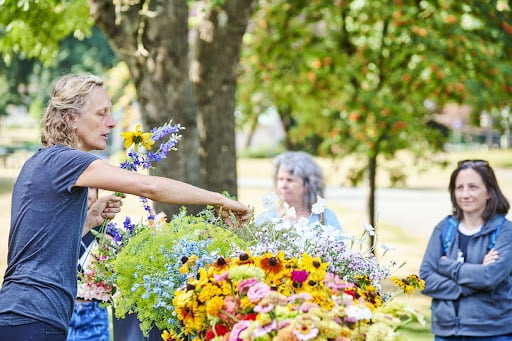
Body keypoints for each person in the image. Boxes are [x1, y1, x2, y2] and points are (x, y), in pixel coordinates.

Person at [0, 73, 250, 341]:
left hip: (22, 316)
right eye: (101, 113)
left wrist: (88, 220)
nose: (112, 122)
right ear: (72, 118)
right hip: (33, 320)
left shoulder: (39, 163)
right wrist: (218, 199)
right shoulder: (65, 161)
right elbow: (149, 187)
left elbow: (42, 244)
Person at [420, 159, 512, 340]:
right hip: (446, 332)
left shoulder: (505, 231)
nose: (465, 194)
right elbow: (425, 279)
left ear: (489, 192)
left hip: (493, 332)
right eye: (459, 187)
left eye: (473, 187)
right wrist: (470, 281)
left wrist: (448, 267)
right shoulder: (444, 229)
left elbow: (489, 277)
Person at [67, 187, 119, 341]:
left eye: (90, 188)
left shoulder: (107, 233)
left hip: (94, 314)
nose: (85, 192)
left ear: (97, 194)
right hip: (61, 310)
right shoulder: (57, 229)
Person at [255, 151, 342, 232]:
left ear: (307, 184)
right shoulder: (267, 218)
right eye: (280, 179)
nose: (283, 185)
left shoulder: (326, 218)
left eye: (290, 180)